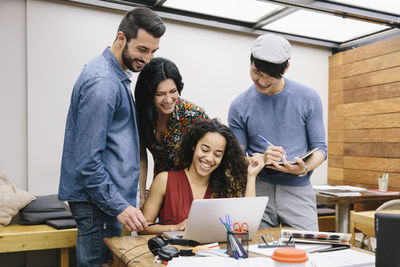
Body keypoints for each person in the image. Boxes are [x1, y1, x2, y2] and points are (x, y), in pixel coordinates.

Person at [58, 7, 166, 266]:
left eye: (153, 51)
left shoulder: (114, 75)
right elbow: (88, 162)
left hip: (104, 202)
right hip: (99, 205)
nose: (148, 59)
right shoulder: (103, 83)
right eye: (142, 49)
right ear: (121, 38)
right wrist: (119, 206)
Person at [228, 34, 327, 231]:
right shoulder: (239, 106)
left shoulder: (308, 98)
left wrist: (303, 168)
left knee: (307, 252)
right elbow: (236, 158)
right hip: (258, 189)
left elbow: (320, 149)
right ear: (250, 63)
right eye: (257, 72)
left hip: (298, 190)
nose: (262, 80)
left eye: (270, 75)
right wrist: (261, 159)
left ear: (286, 68)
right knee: (256, 252)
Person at [139, 119, 265, 234]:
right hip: (173, 255)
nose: (210, 158)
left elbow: (246, 224)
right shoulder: (164, 180)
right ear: (194, 146)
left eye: (217, 154)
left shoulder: (225, 186)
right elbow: (143, 228)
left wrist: (251, 176)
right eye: (205, 150)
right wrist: (175, 228)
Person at [134, 57, 208, 207]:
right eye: (160, 94)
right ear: (148, 95)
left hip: (192, 193)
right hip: (160, 189)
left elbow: (218, 148)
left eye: (173, 91)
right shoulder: (141, 114)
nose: (168, 99)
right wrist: (141, 194)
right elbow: (141, 155)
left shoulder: (193, 114)